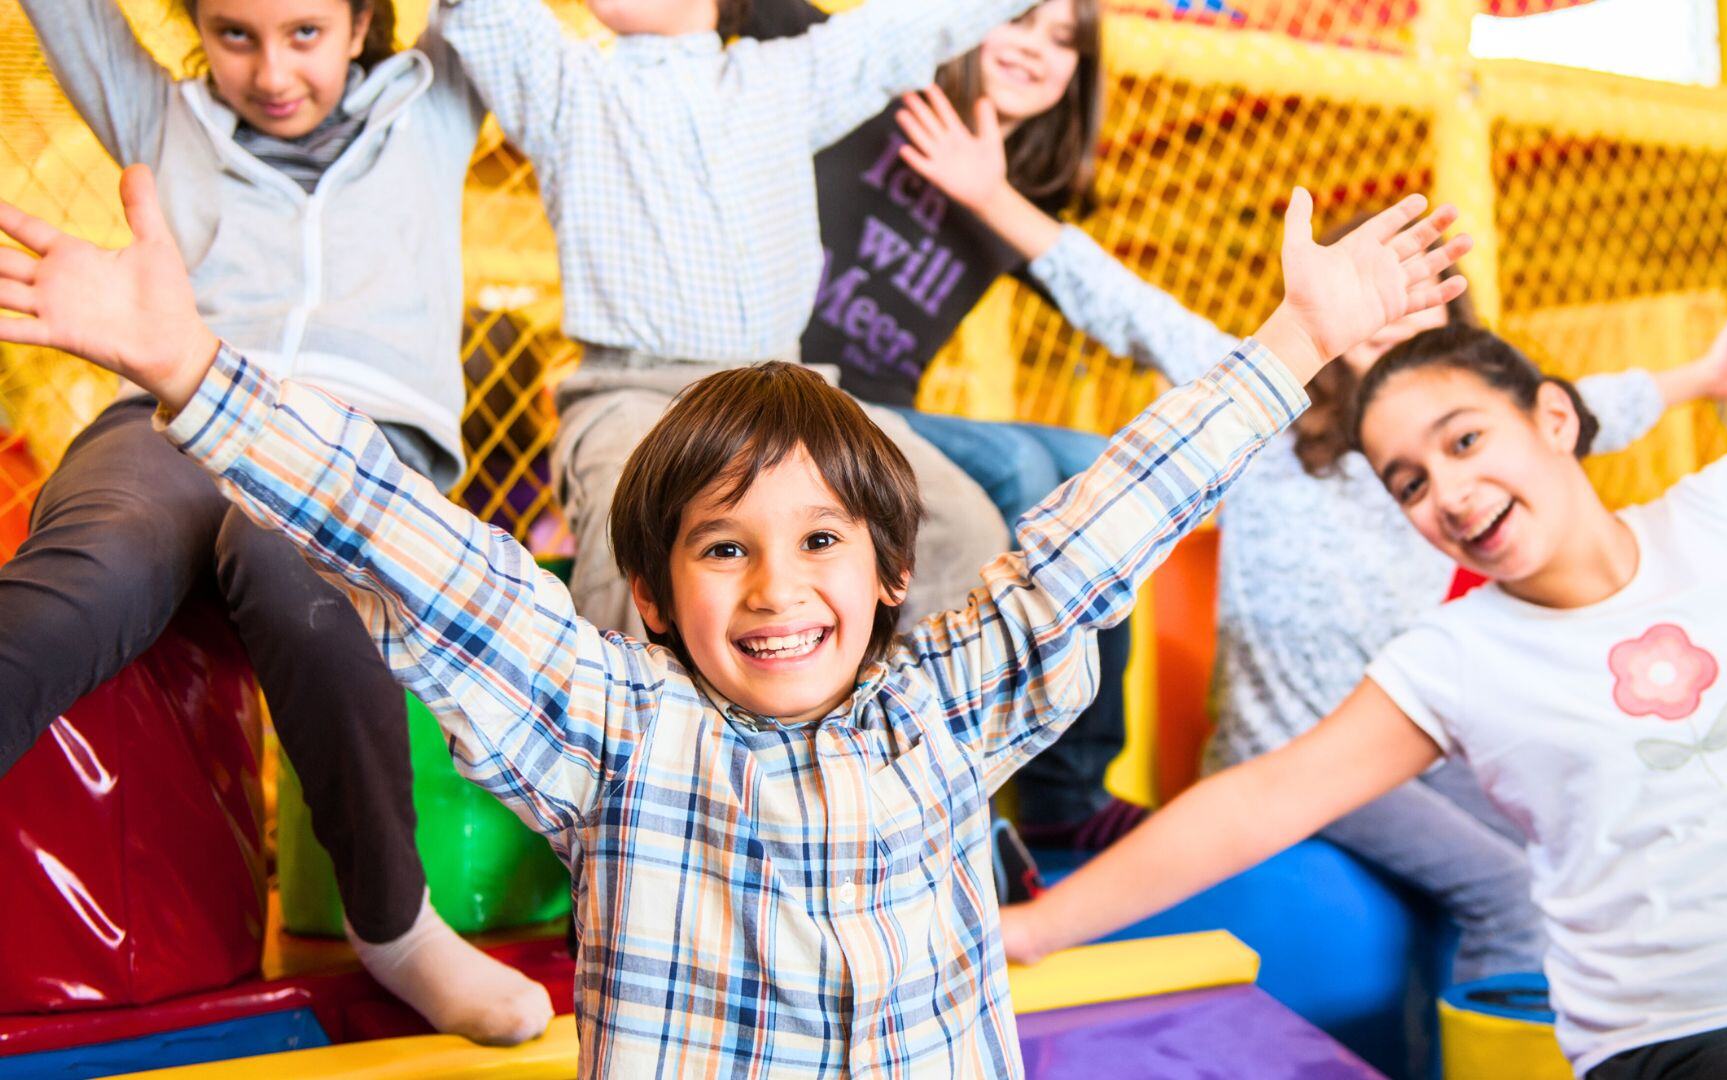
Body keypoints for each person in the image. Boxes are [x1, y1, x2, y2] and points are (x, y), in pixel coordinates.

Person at [0, 165, 1468, 1075]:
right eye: (723, 550)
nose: (777, 592)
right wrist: (193, 372)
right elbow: (426, 555)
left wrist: (1292, 345)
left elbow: (1112, 525)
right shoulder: (615, 728)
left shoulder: (947, 701)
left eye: (821, 540)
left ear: (892, 573)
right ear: (650, 593)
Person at [1003, 322, 1727, 1079]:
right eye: (1409, 482)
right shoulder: (1456, 658)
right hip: (1700, 1042)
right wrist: (1039, 928)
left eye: (1465, 440)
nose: (1447, 493)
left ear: (1555, 418)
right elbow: (1259, 800)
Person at [7, 0, 551, 1044]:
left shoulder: (433, 104)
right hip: (168, 412)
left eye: (306, 33)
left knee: (301, 565)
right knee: (91, 570)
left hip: (352, 433)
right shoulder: (160, 116)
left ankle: (395, 924)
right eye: (234, 35)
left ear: (362, 26)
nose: (271, 71)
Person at [1199, 278, 1727, 981]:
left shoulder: (1483, 419)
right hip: (1295, 746)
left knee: (1565, 847)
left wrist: (1703, 376)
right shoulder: (1265, 430)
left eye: (1410, 296)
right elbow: (1135, 309)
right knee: (1510, 895)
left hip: (1405, 744)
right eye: (1410, 484)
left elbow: (1589, 406)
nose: (1446, 492)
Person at [743, 0, 1244, 850]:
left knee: (1100, 470)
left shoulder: (1017, 190)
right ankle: (998, 774)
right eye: (1018, 20)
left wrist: (990, 193)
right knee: (1015, 465)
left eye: (1064, 44)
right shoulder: (877, 84)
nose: (1036, 52)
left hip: (887, 410)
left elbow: (1101, 296)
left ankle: (1067, 788)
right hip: (792, 390)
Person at [435, 0, 1041, 637]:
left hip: (787, 387)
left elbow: (916, 24)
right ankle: (631, 725)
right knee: (631, 532)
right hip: (638, 391)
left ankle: (889, 719)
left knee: (960, 525)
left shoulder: (783, 78)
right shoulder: (567, 82)